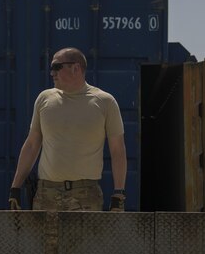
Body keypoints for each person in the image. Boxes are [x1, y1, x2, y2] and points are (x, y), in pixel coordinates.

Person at [9, 47, 127, 212]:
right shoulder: (44, 99)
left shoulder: (105, 102)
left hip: (86, 195)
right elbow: (32, 144)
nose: (52, 73)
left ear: (76, 68)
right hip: (47, 194)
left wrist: (118, 193)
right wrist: (15, 187)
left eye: (57, 67)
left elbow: (117, 150)